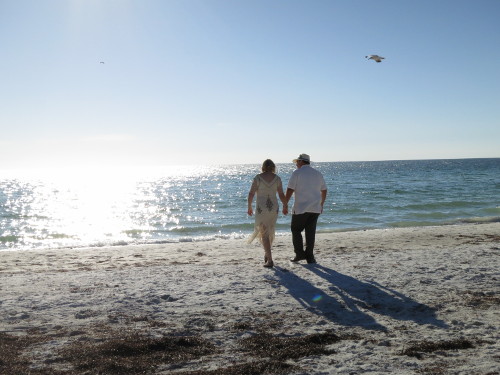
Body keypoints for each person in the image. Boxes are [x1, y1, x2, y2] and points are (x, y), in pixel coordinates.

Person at [285, 153, 327, 264]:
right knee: (310, 233)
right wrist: (321, 204)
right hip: (315, 207)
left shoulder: (297, 173)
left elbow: (290, 189)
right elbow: (324, 190)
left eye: (297, 162)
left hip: (301, 208)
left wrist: (285, 203)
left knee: (296, 230)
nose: (296, 164)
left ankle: (299, 254)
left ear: (301, 161)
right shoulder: (317, 173)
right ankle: (310, 257)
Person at [247, 159, 288, 268]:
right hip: (274, 208)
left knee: (264, 232)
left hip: (261, 208)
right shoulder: (277, 179)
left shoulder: (258, 178)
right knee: (269, 230)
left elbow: (251, 193)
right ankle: (267, 253)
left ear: (263, 167)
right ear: (273, 167)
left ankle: (269, 260)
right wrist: (285, 205)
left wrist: (249, 206)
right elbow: (281, 194)